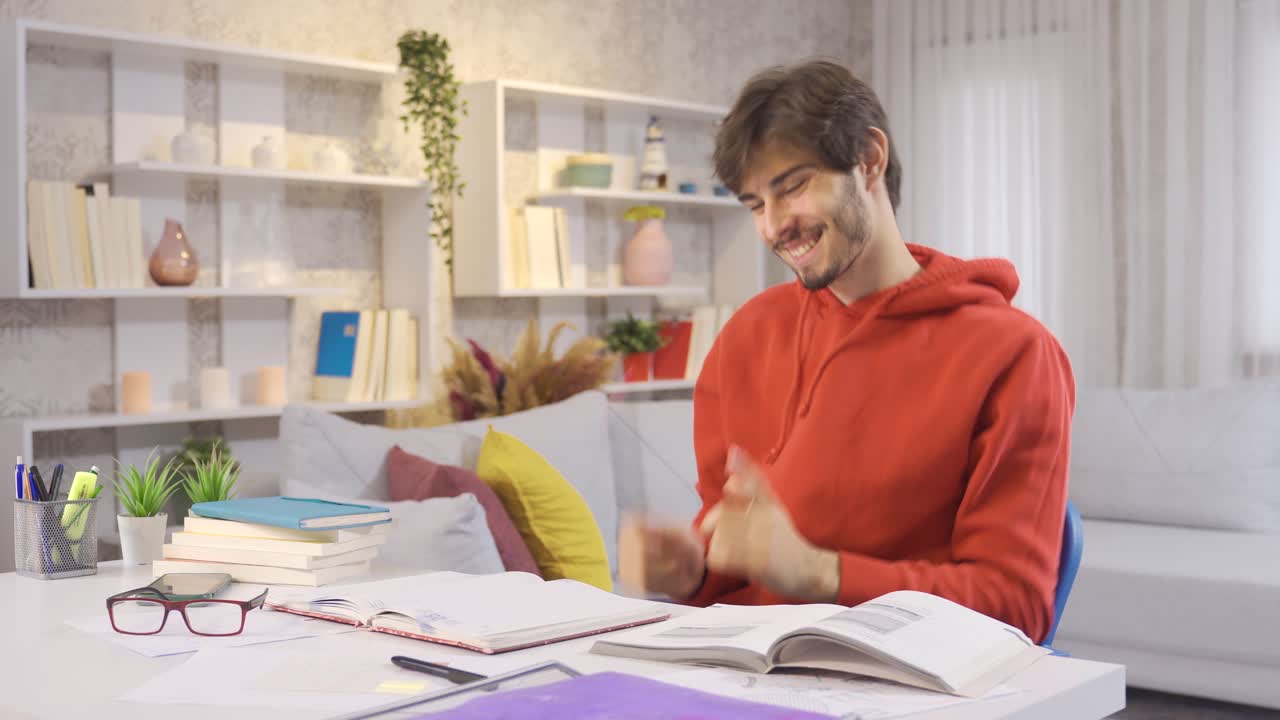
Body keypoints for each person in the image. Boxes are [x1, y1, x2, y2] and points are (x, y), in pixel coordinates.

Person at [617, 59, 1074, 644]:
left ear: (869, 160)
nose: (776, 225)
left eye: (794, 186)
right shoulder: (745, 338)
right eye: (756, 204)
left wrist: (820, 573)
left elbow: (1017, 607)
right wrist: (692, 571)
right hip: (751, 677)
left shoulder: (1015, 354)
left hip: (906, 690)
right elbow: (733, 562)